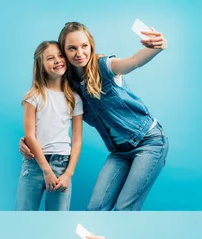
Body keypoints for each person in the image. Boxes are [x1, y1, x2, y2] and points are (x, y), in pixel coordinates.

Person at [20, 22, 168, 211]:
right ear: (64, 53)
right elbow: (53, 116)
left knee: (124, 208)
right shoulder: (70, 87)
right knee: (95, 209)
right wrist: (26, 140)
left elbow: (133, 61)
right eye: (72, 48)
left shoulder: (104, 66)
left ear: (91, 46)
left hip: (149, 141)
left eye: (84, 46)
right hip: (120, 151)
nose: (79, 53)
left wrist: (157, 47)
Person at [16, 40, 83, 211]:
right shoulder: (34, 96)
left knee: (58, 218)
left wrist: (68, 174)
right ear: (41, 65)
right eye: (50, 58)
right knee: (24, 214)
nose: (57, 61)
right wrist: (46, 171)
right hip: (34, 164)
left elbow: (76, 140)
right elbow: (30, 136)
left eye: (60, 56)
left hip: (62, 165)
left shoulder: (74, 98)